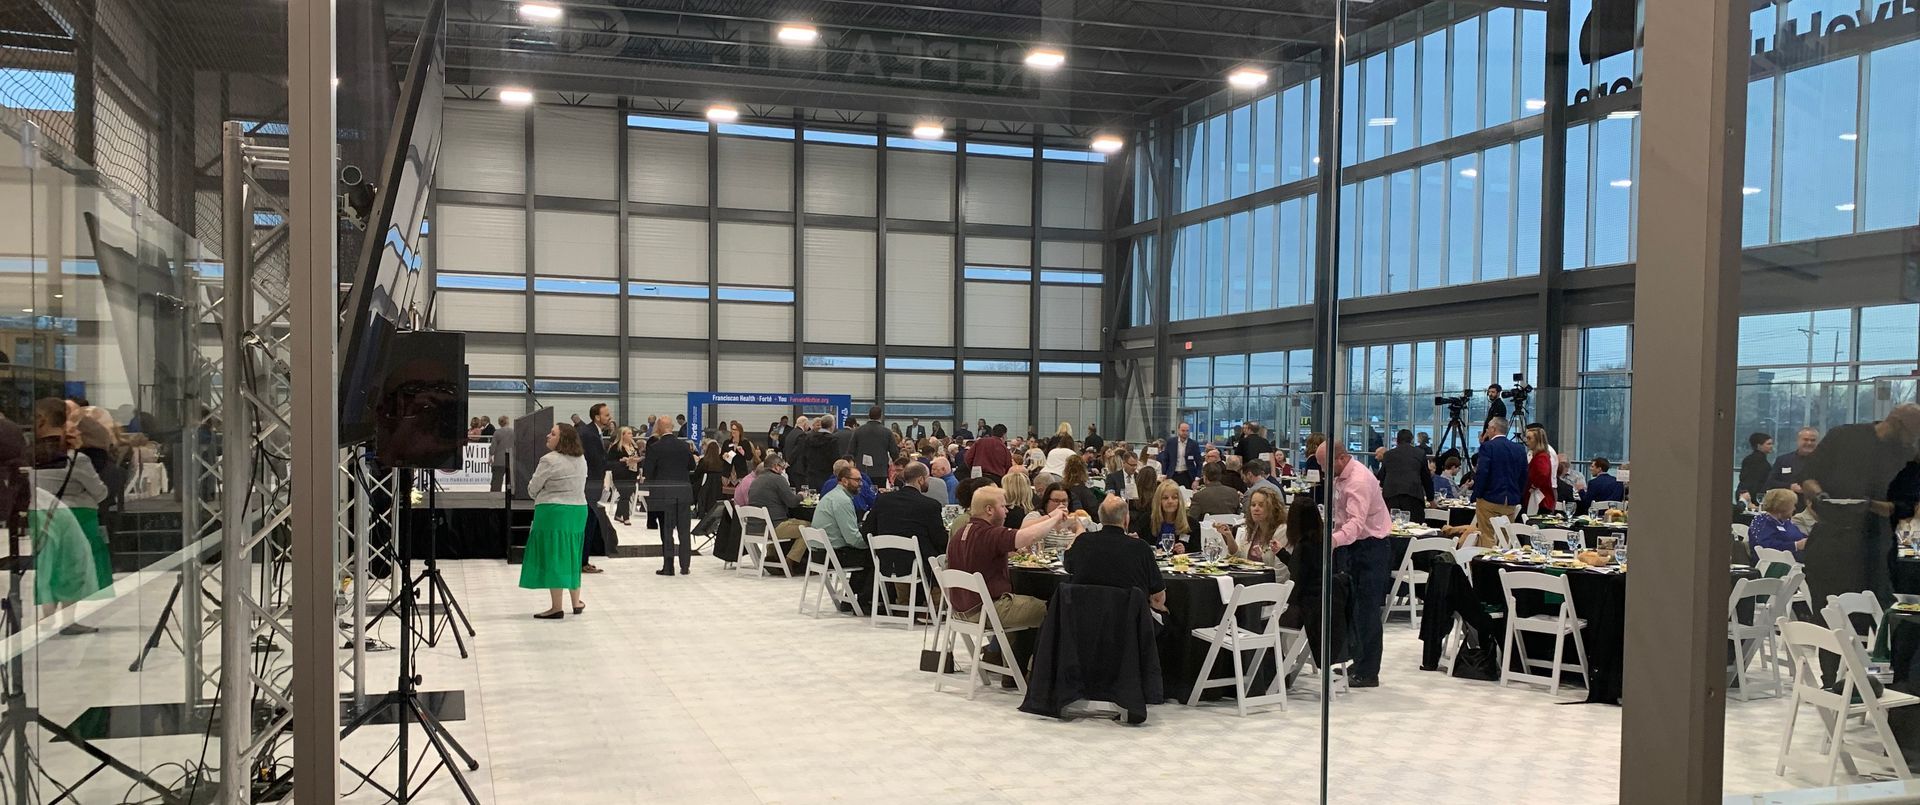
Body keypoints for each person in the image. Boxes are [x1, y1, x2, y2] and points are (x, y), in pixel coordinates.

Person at [1797, 404, 1920, 610]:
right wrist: (1819, 496)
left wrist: (1870, 505)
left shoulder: (1908, 455)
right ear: (1898, 424)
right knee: (1827, 608)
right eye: (1914, 433)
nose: (1914, 439)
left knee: (1872, 612)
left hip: (1876, 545)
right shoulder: (1843, 436)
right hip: (1830, 539)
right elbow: (1808, 475)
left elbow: (1905, 508)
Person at [947, 486, 1065, 671]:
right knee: (1055, 608)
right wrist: (1056, 518)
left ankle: (1007, 668)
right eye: (1003, 506)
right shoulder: (990, 534)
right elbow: (1028, 536)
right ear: (989, 509)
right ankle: (1038, 672)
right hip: (987, 610)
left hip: (961, 610)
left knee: (1022, 603)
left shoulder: (961, 533)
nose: (1007, 511)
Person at [30, 398, 108, 631]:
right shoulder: (77, 458)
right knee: (72, 566)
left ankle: (46, 617)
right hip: (77, 514)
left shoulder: (29, 456)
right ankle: (68, 620)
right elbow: (100, 491)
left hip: (39, 513)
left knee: (46, 563)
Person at [1319, 439, 1391, 688]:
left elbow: (1355, 524)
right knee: (1353, 607)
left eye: (1326, 465)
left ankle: (1369, 671)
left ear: (1341, 458)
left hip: (1371, 548)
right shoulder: (1342, 475)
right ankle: (1358, 661)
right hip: (1355, 547)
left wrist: (1332, 541)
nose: (1324, 471)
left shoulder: (1358, 481)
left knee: (1367, 609)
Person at [521, 424, 589, 619]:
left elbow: (533, 488)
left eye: (553, 433)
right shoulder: (581, 459)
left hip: (553, 510)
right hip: (578, 510)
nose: (548, 435)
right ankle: (576, 602)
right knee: (572, 554)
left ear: (563, 439)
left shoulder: (548, 460)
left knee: (555, 555)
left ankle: (556, 607)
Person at [865, 461, 949, 613]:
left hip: (886, 563)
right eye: (927, 478)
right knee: (941, 555)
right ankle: (938, 604)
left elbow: (868, 530)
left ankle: (904, 603)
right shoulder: (930, 505)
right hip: (919, 565)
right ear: (921, 480)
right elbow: (940, 539)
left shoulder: (883, 500)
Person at [1064, 495, 1166, 613]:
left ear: (1101, 519)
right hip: (1129, 624)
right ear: (1126, 520)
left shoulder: (1083, 542)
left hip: (1086, 621)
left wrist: (1079, 531)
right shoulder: (1140, 548)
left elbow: (1067, 564)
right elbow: (1158, 597)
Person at [814, 464, 875, 613]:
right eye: (857, 480)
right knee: (874, 557)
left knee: (865, 555)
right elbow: (852, 539)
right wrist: (872, 545)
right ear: (844, 481)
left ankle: (851, 600)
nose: (861, 484)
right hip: (832, 554)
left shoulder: (833, 496)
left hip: (819, 553)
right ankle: (863, 601)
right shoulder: (842, 501)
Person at [642, 415, 696, 576]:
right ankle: (685, 566)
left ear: (658, 427)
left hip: (664, 494)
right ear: (672, 428)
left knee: (667, 531)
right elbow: (691, 466)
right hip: (684, 492)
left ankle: (668, 566)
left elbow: (648, 472)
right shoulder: (684, 446)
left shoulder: (655, 447)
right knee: (684, 531)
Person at [1471, 419, 1527, 547]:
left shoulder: (1488, 446)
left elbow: (1483, 472)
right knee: (1506, 536)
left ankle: (1488, 564)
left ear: (1493, 429)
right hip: (1511, 500)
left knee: (1487, 535)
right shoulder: (1519, 448)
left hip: (1489, 498)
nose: (1486, 431)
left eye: (1488, 428)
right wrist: (1518, 494)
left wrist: (1477, 494)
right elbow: (1524, 475)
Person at [577, 403, 615, 574]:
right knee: (588, 524)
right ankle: (582, 562)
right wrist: (621, 464)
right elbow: (597, 462)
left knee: (589, 523)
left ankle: (583, 560)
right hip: (589, 486)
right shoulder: (590, 434)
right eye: (606, 415)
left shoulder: (593, 432)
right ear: (597, 417)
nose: (609, 417)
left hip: (590, 485)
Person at [1217, 485, 1285, 567]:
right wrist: (1229, 536)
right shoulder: (1251, 528)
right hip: (1247, 576)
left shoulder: (1281, 530)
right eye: (1253, 505)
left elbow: (1281, 570)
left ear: (1272, 508)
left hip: (1269, 579)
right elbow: (1239, 558)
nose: (1256, 509)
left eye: (1261, 505)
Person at [1379, 429, 1433, 520]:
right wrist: (1430, 498)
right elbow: (1426, 478)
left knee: (1391, 526)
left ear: (1397, 440)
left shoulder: (1388, 455)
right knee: (1415, 527)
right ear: (1411, 440)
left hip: (1391, 495)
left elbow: (1382, 477)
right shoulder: (1420, 453)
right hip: (1413, 495)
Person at [1136, 479, 1200, 553]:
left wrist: (1185, 551)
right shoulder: (1147, 520)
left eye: (1174, 497)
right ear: (1158, 501)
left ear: (1179, 501)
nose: (1170, 501)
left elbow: (1197, 553)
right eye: (1165, 498)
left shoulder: (1192, 524)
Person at [1748, 488, 1807, 560]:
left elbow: (1800, 536)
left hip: (1796, 560)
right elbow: (1765, 545)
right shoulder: (1761, 521)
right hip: (1775, 563)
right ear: (1783, 506)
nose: (1794, 508)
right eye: (1792, 505)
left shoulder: (1786, 522)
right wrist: (1795, 545)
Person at [850, 406, 898, 479]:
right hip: (880, 471)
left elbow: (851, 451)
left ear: (868, 415)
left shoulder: (858, 431)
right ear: (881, 416)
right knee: (880, 490)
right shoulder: (887, 432)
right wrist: (897, 466)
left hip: (862, 471)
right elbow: (894, 452)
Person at [1767, 427, 1820, 493]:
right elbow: (1770, 482)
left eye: (1813, 440)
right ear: (1797, 440)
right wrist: (1789, 486)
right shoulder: (1783, 460)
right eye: (1806, 439)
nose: (1809, 443)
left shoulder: (1824, 462)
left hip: (1816, 501)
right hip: (1788, 501)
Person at [608, 426, 642, 525]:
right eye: (629, 433)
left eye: (631, 433)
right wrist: (621, 460)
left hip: (632, 473)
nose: (631, 435)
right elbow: (610, 462)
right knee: (625, 495)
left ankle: (618, 514)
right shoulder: (616, 448)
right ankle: (626, 517)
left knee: (626, 495)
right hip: (620, 475)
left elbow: (638, 460)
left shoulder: (634, 447)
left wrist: (640, 469)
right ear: (622, 435)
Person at [1523, 425, 1557, 515]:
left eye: (1529, 438)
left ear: (1537, 440)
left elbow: (1543, 473)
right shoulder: (1539, 456)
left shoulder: (1541, 457)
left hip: (1540, 499)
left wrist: (1534, 486)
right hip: (1538, 498)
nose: (1527, 441)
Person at [1159, 422, 1203, 488]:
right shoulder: (1171, 442)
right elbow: (1165, 460)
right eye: (1183, 430)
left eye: (1187, 431)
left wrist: (1197, 479)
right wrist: (1164, 474)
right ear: (1178, 430)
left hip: (1188, 475)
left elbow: (1199, 463)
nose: (1185, 433)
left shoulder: (1194, 444)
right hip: (1172, 474)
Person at [1737, 432, 1775, 508]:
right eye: (1768, 444)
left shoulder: (1750, 459)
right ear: (1759, 446)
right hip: (1753, 498)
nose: (1771, 446)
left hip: (1751, 495)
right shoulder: (1757, 461)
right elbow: (1751, 481)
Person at [695, 440, 729, 516]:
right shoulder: (722, 462)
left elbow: (696, 475)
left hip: (706, 485)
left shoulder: (704, 461)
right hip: (718, 487)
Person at [489, 415, 514, 492]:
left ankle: (495, 495)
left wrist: (490, 456)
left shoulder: (497, 432)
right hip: (511, 459)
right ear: (507, 422)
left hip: (499, 460)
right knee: (511, 480)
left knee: (496, 481)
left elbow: (493, 447)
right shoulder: (513, 431)